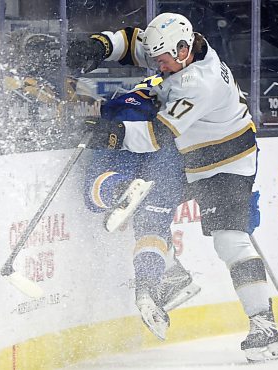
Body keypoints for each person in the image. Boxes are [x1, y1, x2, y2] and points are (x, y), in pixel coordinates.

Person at [66, 12, 278, 363]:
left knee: (229, 239)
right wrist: (100, 46)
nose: (159, 66)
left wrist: (111, 133)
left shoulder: (200, 81)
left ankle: (264, 326)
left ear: (184, 51)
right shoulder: (178, 49)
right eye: (158, 60)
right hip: (189, 156)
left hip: (227, 162)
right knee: (150, 208)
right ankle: (173, 275)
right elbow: (135, 41)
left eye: (164, 61)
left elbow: (156, 137)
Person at [82, 75, 200, 340]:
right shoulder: (197, 97)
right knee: (152, 224)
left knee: (96, 193)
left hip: (138, 142)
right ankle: (165, 279)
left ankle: (118, 189)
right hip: (172, 156)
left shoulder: (128, 102)